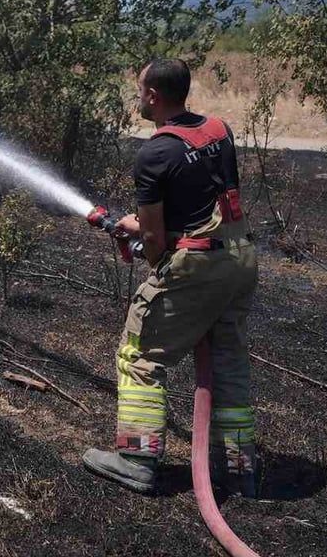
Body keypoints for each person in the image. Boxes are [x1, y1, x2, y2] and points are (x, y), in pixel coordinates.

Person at [81, 58, 259, 496]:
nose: (138, 96)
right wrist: (139, 228)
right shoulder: (219, 130)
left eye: (140, 90)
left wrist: (147, 242)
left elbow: (157, 242)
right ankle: (237, 464)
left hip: (197, 267)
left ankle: (136, 459)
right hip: (239, 258)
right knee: (227, 363)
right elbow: (200, 201)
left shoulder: (155, 153)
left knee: (140, 356)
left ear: (153, 96)